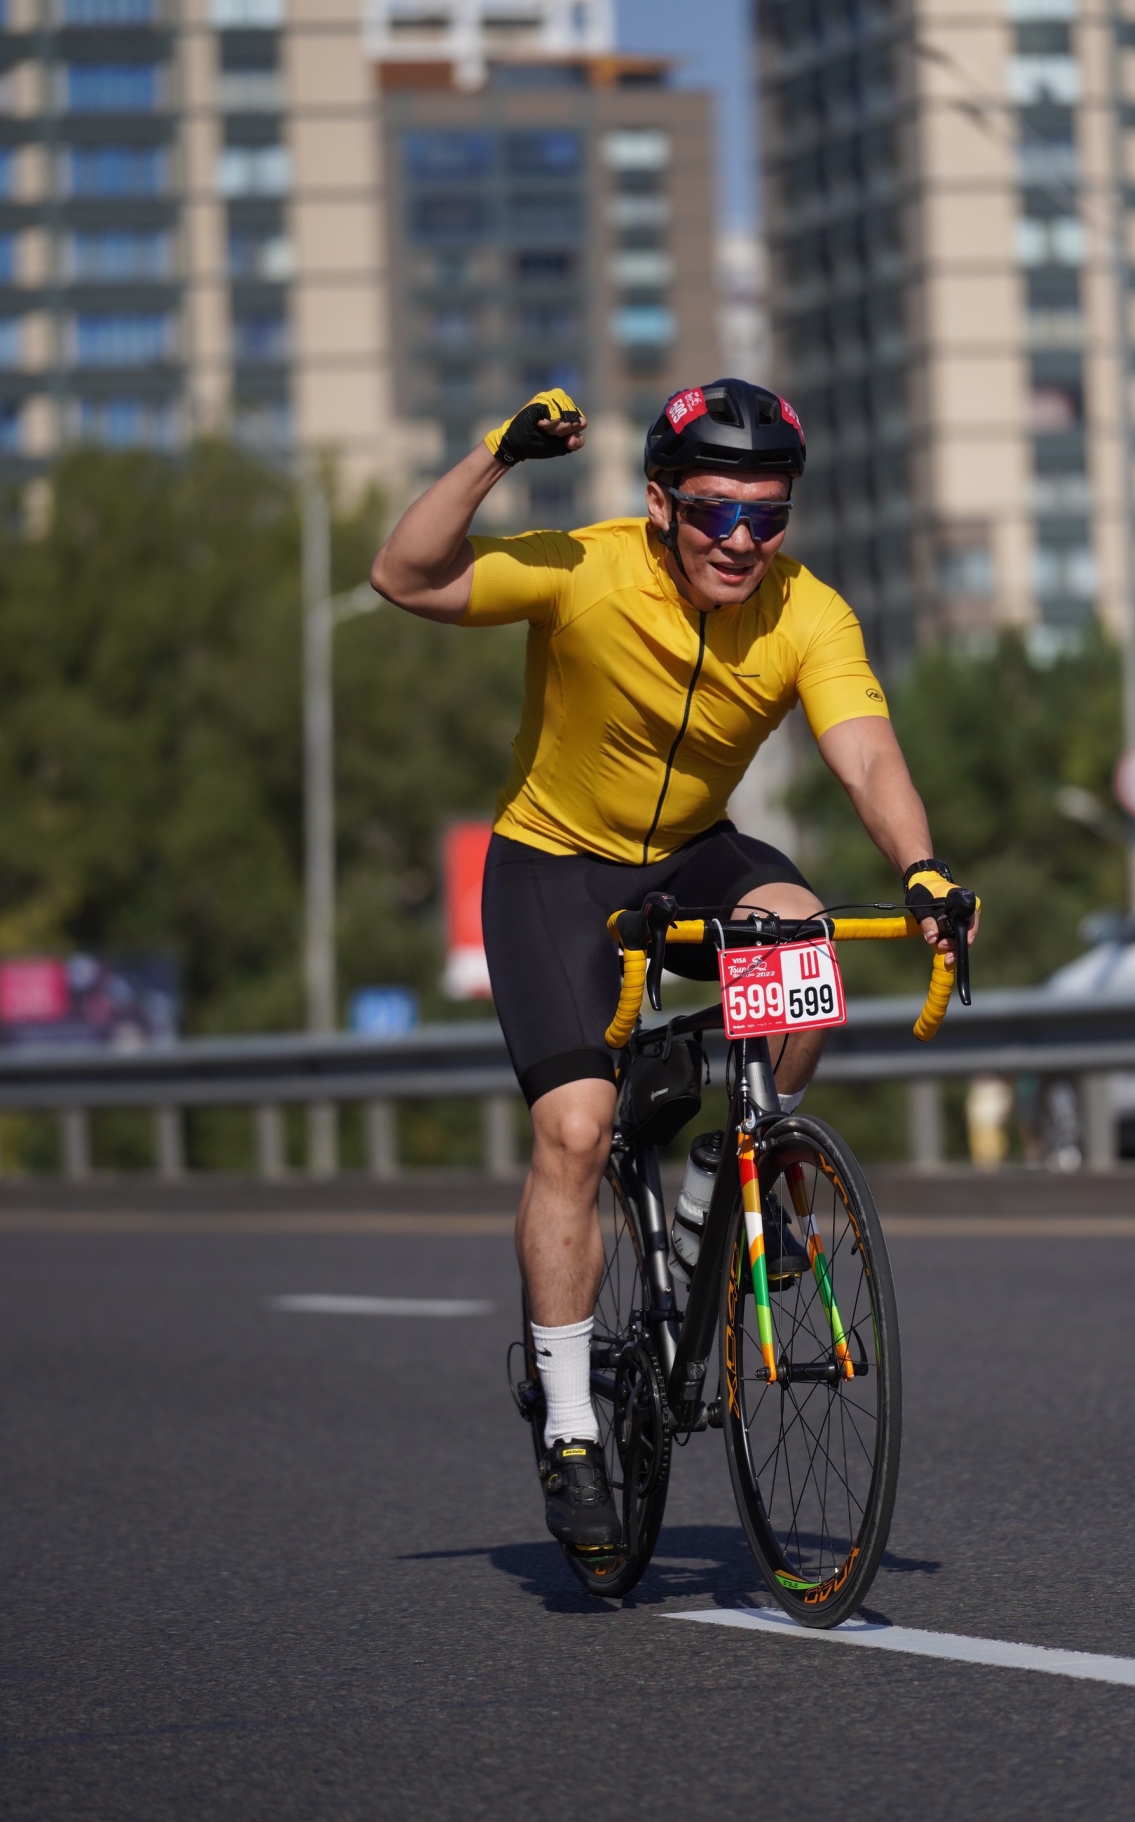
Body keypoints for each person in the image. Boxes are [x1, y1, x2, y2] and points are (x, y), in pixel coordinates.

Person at [371, 379, 977, 1551]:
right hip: (554, 867)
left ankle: (722, 1174)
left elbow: (865, 756)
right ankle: (568, 1423)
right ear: (660, 503)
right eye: (714, 512)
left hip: (693, 852)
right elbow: (403, 573)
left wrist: (919, 869)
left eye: (767, 515)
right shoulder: (585, 569)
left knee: (802, 937)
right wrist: (498, 454)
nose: (741, 540)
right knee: (575, 1129)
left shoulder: (808, 611)